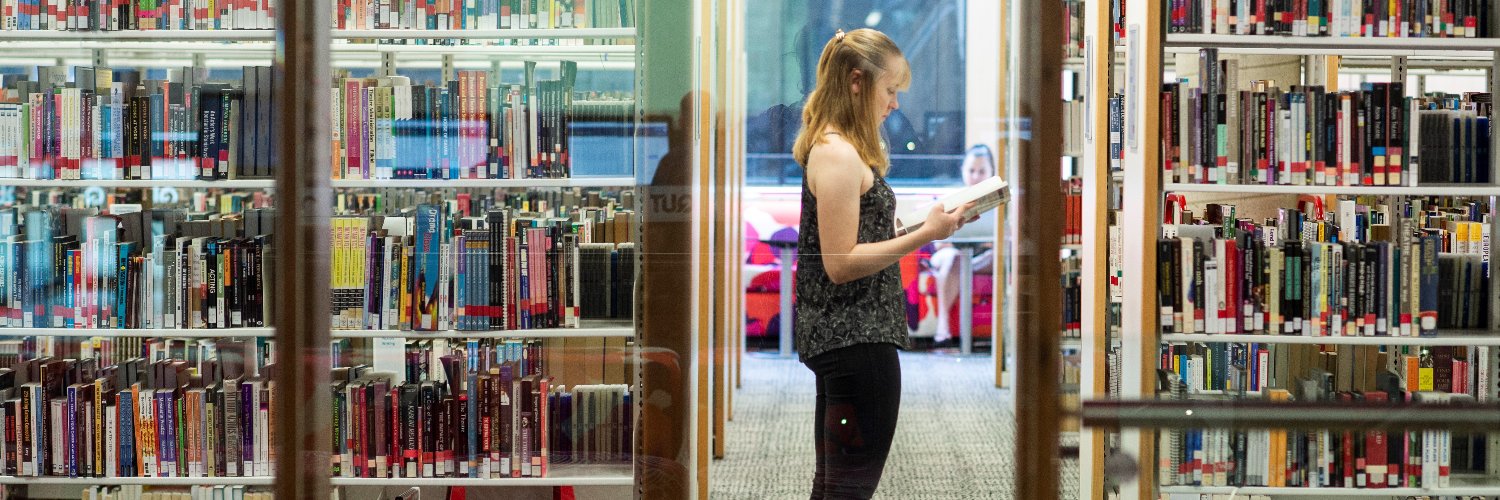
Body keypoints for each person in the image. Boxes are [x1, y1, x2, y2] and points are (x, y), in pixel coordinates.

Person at [792, 28, 972, 499]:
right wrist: (924, 237)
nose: (894, 103)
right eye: (889, 90)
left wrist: (917, 229)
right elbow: (840, 262)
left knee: (834, 485)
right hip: (856, 339)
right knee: (848, 489)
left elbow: (852, 241)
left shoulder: (837, 148)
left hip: (848, 337)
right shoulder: (837, 155)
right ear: (857, 82)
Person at [929, 144, 999, 346]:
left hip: (981, 258)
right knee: (954, 258)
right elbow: (940, 243)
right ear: (962, 171)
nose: (976, 176)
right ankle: (943, 330)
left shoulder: (998, 201)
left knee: (999, 255)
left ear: (991, 172)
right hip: (952, 255)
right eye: (971, 171)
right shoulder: (948, 199)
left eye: (982, 171)